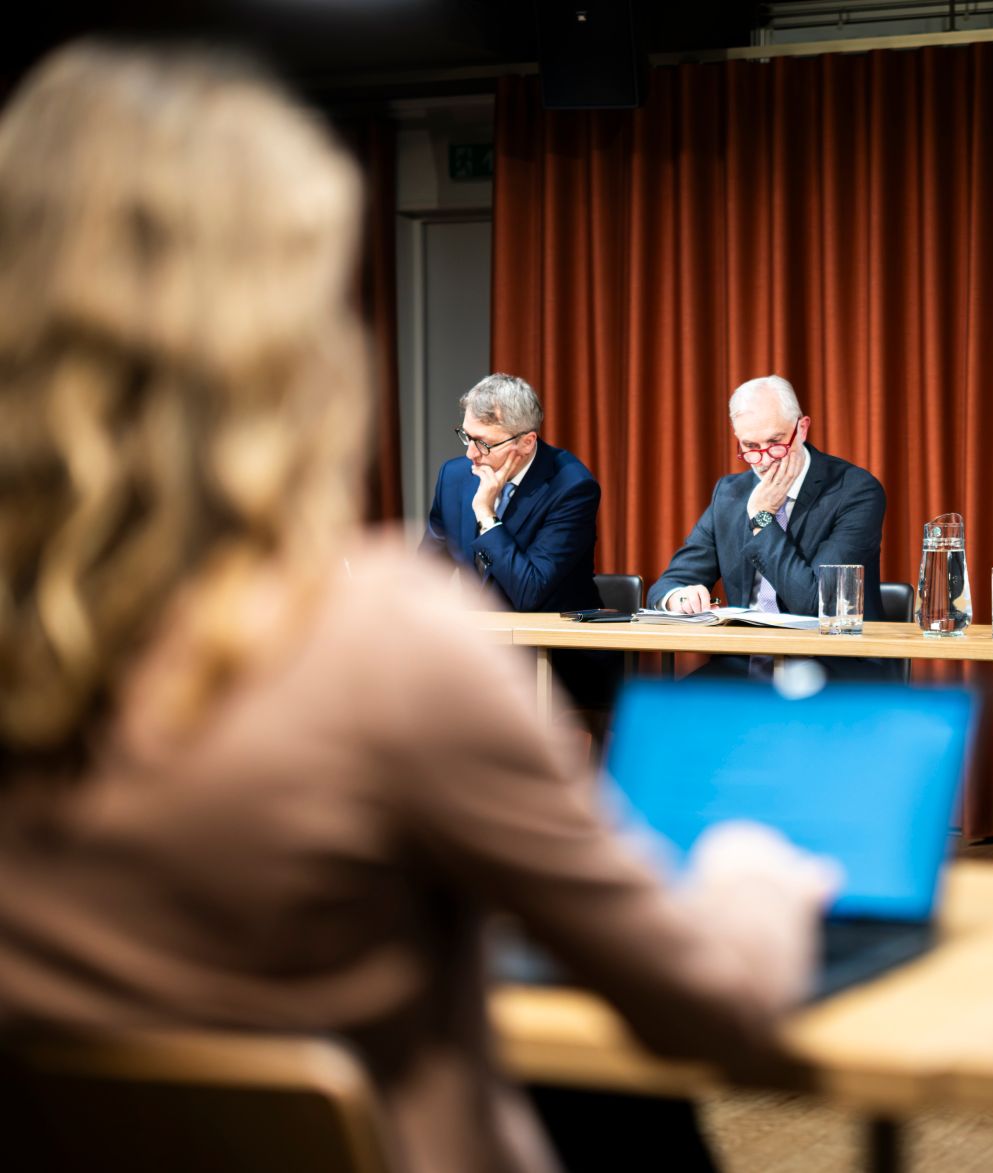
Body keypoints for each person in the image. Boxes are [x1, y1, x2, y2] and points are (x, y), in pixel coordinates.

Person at [0, 41, 832, 1173]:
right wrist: (749, 874)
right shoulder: (379, 648)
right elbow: (721, 1015)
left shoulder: (531, 514)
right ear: (286, 347)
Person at [648, 375, 887, 676]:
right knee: (663, 713)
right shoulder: (730, 494)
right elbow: (666, 587)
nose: (764, 461)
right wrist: (681, 599)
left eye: (775, 444)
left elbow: (816, 605)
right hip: (746, 664)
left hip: (830, 662)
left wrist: (762, 517)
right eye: (750, 446)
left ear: (801, 429)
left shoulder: (853, 490)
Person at [422, 372, 614, 706]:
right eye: (465, 437)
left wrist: (486, 515)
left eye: (483, 442)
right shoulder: (453, 477)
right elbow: (425, 570)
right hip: (476, 650)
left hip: (553, 657)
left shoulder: (571, 487)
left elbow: (529, 591)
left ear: (526, 443)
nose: (470, 454)